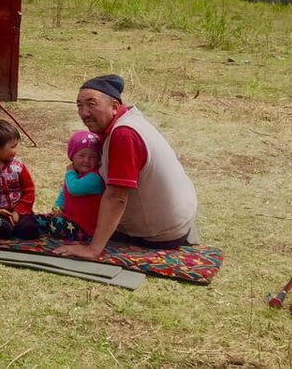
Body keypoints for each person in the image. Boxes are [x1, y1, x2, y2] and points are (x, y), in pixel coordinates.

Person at [55, 74, 199, 260]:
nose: (84, 113)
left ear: (115, 107)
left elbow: (117, 197)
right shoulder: (128, 120)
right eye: (79, 106)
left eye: (92, 104)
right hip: (181, 221)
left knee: (73, 226)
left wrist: (92, 250)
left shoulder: (124, 134)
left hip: (161, 232)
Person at [39, 130, 103, 241]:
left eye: (92, 157)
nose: (86, 160)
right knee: (38, 219)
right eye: (81, 155)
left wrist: (70, 172)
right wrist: (57, 209)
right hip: (70, 221)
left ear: (99, 159)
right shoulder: (75, 175)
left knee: (56, 225)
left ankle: (49, 228)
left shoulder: (95, 177)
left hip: (85, 229)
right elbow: (64, 193)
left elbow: (74, 189)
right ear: (72, 157)